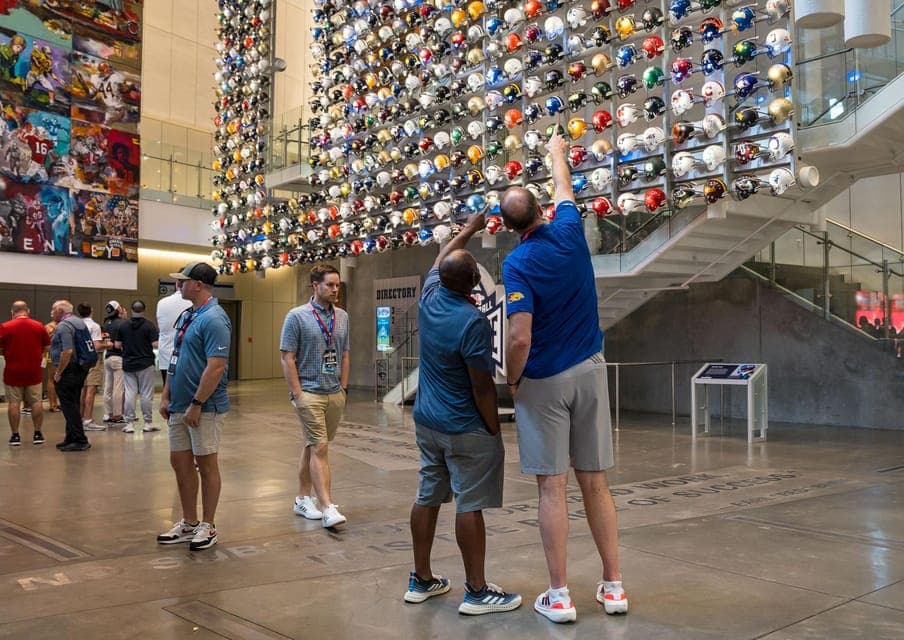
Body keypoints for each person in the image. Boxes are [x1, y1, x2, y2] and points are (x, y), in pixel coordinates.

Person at [500, 131, 628, 623]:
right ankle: (613, 586)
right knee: (596, 483)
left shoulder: (517, 264)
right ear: (540, 211)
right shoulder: (571, 231)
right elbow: (565, 188)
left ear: (512, 228)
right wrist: (554, 151)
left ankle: (560, 595)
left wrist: (514, 382)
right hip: (592, 371)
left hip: (545, 381)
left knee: (551, 488)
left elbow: (519, 338)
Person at [404, 212, 522, 615]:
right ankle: (476, 590)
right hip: (463, 424)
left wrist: (468, 229)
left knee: (428, 496)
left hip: (427, 421)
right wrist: (493, 427)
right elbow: (482, 385)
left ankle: (421, 579)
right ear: (474, 283)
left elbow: (443, 256)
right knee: (469, 504)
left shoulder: (430, 295)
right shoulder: (473, 321)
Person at [157, 263, 230, 551]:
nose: (179, 285)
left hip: (204, 407)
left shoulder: (215, 318)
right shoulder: (188, 315)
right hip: (178, 405)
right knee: (180, 462)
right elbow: (175, 359)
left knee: (206, 463)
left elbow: (216, 367)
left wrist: (197, 404)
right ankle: (188, 521)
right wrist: (165, 395)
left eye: (183, 281)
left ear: (198, 284)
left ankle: (208, 525)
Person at [279, 263, 350, 529]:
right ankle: (327, 507)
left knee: (312, 445)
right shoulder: (296, 316)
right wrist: (298, 393)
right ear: (315, 286)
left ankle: (301, 498)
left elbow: (344, 353)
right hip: (308, 392)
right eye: (330, 285)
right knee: (320, 447)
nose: (335, 289)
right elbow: (287, 358)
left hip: (334, 392)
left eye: (337, 285)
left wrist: (343, 387)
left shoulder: (342, 316)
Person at [0, 300, 50, 445]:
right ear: (27, 311)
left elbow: (1, 348)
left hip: (13, 371)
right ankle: (37, 433)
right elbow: (46, 346)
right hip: (33, 371)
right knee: (36, 402)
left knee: (14, 403)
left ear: (12, 312)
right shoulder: (39, 326)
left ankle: (15, 435)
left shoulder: (5, 326)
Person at [49, 300, 91, 452]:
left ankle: (80, 439)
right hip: (79, 368)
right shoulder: (78, 322)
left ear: (60, 310)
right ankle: (71, 437)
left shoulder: (64, 326)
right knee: (72, 403)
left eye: (53, 309)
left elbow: (67, 351)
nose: (51, 312)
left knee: (69, 406)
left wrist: (59, 372)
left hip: (69, 370)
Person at [116, 300, 158, 433]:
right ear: (144, 310)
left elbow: (117, 345)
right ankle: (147, 423)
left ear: (131, 309)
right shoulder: (149, 325)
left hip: (128, 363)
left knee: (130, 393)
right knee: (146, 394)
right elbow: (155, 344)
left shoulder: (123, 326)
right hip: (145, 363)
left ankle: (129, 424)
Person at [77, 303, 106, 431]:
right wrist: (108, 345)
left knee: (82, 390)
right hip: (93, 360)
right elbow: (97, 346)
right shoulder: (94, 326)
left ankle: (81, 418)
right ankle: (88, 419)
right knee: (91, 390)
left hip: (80, 360)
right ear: (91, 311)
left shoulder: (77, 325)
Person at [156, 278, 190, 386]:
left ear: (177, 284)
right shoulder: (192, 303)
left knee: (168, 394)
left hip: (166, 356)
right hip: (187, 358)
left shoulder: (162, 303)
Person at [101, 300, 126, 425]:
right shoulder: (122, 323)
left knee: (108, 387)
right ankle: (117, 414)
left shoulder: (105, 322)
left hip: (107, 357)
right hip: (118, 358)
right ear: (118, 310)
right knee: (118, 388)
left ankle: (107, 413)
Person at [43, 314, 59, 411]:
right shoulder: (49, 327)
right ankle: (52, 404)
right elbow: (46, 342)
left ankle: (55, 403)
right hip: (52, 354)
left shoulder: (62, 325)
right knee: (52, 379)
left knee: (56, 379)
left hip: (59, 353)